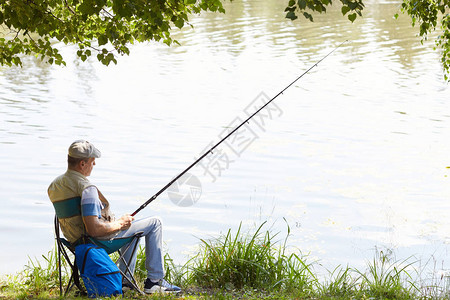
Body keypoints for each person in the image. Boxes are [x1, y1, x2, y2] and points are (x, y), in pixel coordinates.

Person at [48, 139, 181, 294]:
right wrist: (120, 224)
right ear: (82, 164)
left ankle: (126, 282)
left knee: (129, 227)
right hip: (94, 242)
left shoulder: (54, 185)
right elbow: (94, 230)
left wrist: (121, 223)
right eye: (92, 161)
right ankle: (154, 281)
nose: (94, 164)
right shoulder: (86, 188)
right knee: (155, 223)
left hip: (73, 242)